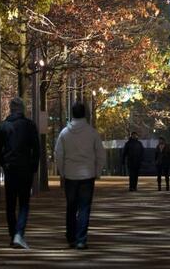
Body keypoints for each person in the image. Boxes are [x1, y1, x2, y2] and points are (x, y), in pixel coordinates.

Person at [55, 102, 106, 250]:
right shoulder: (92, 133)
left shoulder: (64, 133)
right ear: (85, 114)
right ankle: (81, 239)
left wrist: (62, 171)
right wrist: (97, 172)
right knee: (84, 207)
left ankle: (71, 237)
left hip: (70, 175)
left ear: (72, 113)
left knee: (71, 207)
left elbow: (59, 154)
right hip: (87, 175)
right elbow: (100, 154)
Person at [0, 97, 40, 249]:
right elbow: (36, 148)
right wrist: (34, 166)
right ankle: (19, 234)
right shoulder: (29, 125)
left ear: (10, 109)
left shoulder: (2, 126)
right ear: (23, 109)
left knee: (10, 204)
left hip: (10, 169)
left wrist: (4, 163)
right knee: (24, 204)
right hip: (25, 168)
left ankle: (13, 234)